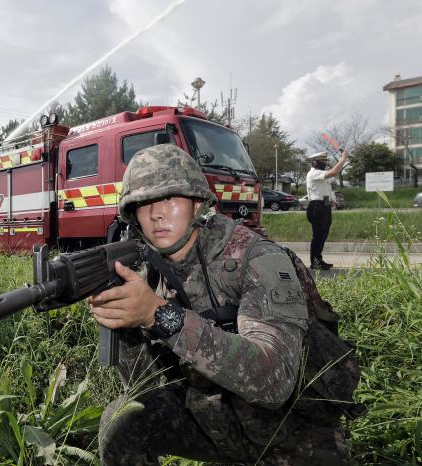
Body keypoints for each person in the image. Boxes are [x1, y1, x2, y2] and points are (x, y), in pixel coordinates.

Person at [88, 145, 356, 465]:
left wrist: (160, 314)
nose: (156, 213)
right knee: (123, 419)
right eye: (143, 203)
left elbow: (275, 381)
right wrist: (125, 323)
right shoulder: (147, 274)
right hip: (215, 422)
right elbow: (144, 387)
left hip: (292, 433)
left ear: (198, 203)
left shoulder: (257, 258)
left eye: (170, 198)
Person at [306, 149, 348, 270]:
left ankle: (318, 260)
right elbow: (334, 172)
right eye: (321, 161)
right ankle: (315, 262)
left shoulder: (321, 175)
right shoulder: (313, 173)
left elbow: (323, 191)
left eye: (325, 161)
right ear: (314, 162)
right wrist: (343, 159)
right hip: (316, 207)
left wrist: (330, 200)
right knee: (318, 235)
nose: (324, 163)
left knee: (323, 235)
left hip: (323, 206)